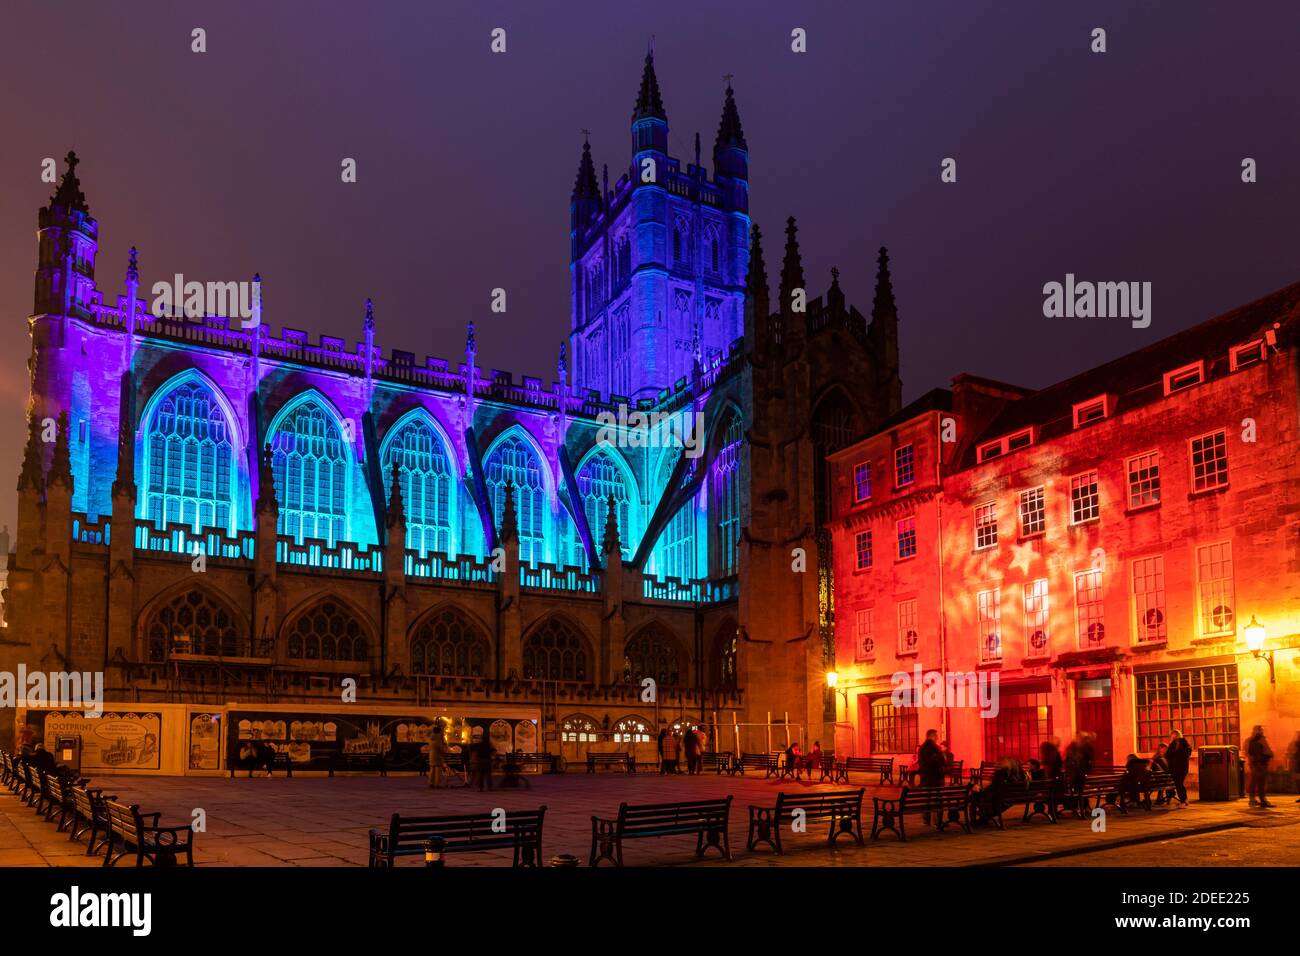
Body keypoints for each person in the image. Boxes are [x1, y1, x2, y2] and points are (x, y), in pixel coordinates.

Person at [1246, 726, 1274, 809]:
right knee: (1258, 782)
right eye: (1261, 730)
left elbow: (1250, 753)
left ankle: (1256, 799)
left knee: (1257, 782)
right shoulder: (1257, 740)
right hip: (1259, 764)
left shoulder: (1255, 740)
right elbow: (1256, 753)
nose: (1262, 732)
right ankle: (1259, 799)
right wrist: (1267, 756)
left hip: (1258, 763)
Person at [1166, 729, 1192, 807]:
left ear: (1174, 735)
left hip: (1176, 768)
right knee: (1180, 784)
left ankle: (1183, 802)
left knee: (1178, 785)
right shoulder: (1186, 744)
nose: (1171, 736)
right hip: (1184, 768)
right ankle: (1185, 799)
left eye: (1172, 735)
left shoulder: (1175, 744)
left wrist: (1170, 744)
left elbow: (1167, 755)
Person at [427, 723, 450, 788]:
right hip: (437, 757)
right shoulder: (437, 739)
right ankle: (437, 784)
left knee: (432, 771)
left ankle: (431, 783)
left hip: (431, 756)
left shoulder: (431, 738)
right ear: (439, 732)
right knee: (438, 771)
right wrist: (444, 752)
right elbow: (440, 748)